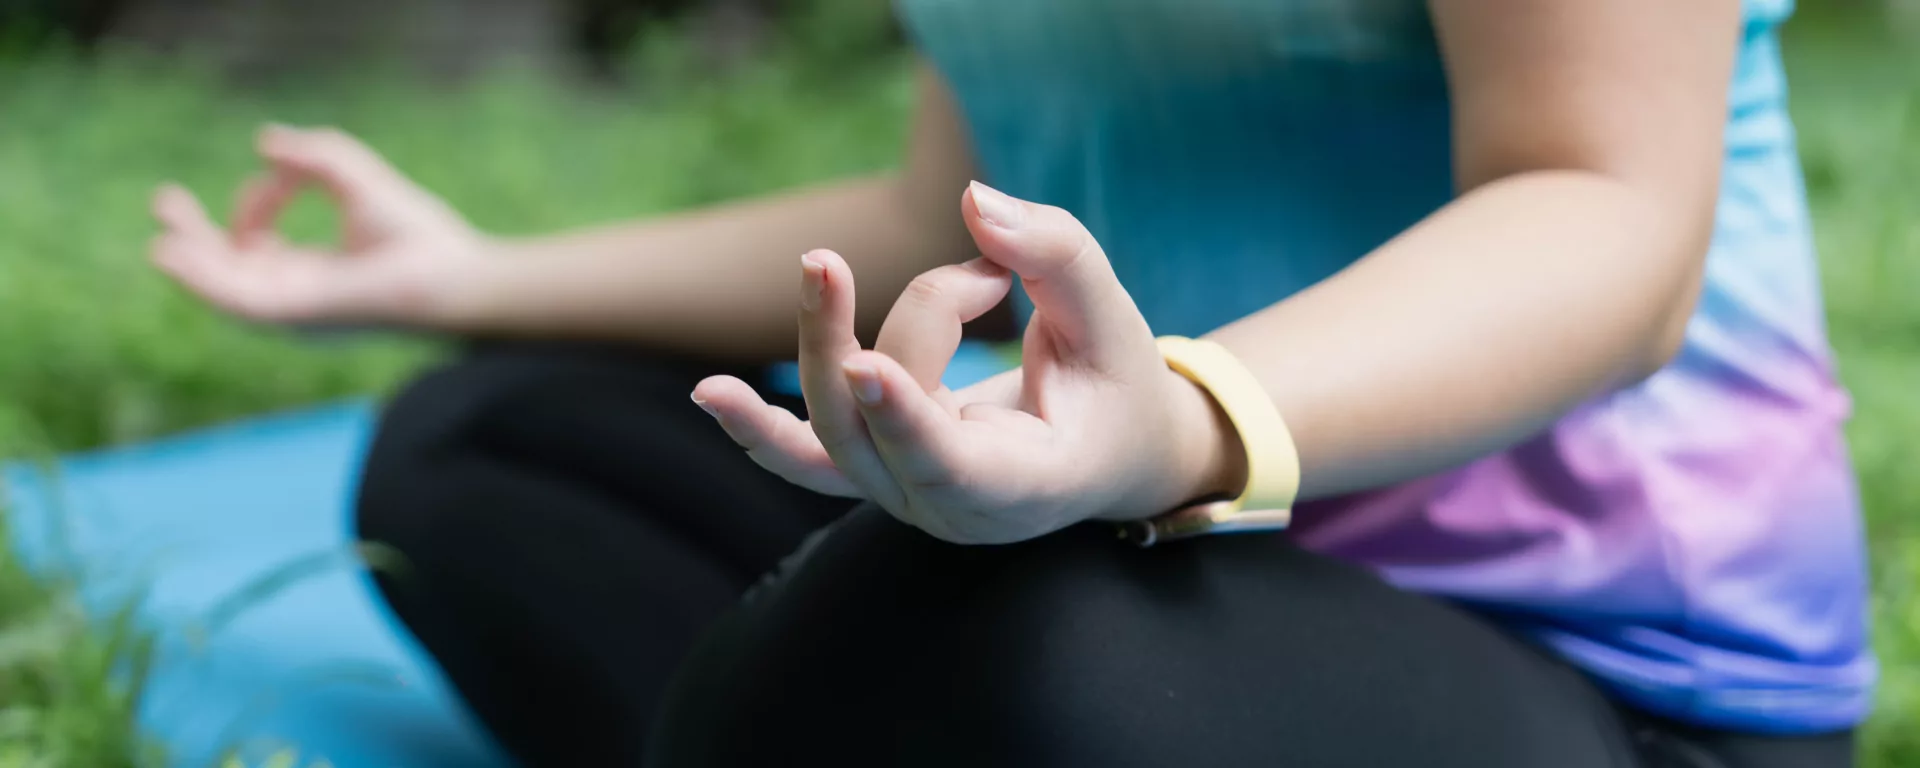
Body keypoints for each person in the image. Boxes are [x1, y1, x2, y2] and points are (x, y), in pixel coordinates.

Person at [146, 0, 1870, 765]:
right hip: (1142, 553)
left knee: (961, 627)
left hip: (1593, 665)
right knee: (491, 446)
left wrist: (1172, 425)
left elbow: (1608, 213)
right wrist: (465, 279)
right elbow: (931, 215)